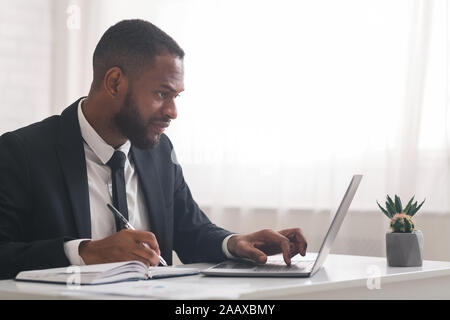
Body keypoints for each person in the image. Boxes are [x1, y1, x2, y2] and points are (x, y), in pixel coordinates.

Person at [0, 19, 307, 279]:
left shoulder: (158, 151)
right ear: (115, 82)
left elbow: (191, 231)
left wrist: (235, 242)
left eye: (176, 96)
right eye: (162, 94)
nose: (173, 111)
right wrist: (85, 252)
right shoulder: (22, 153)